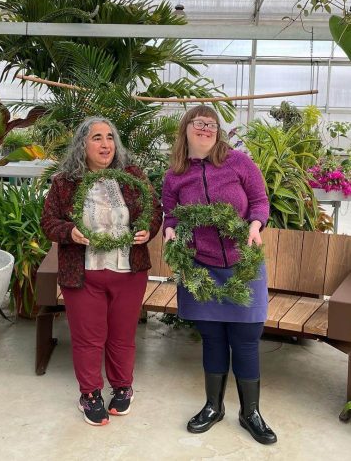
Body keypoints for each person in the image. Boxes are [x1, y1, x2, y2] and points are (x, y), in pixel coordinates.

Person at [162, 105, 277, 444]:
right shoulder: (175, 174)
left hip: (243, 265)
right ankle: (214, 406)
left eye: (211, 124)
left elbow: (259, 201)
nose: (205, 128)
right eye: (199, 123)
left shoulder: (238, 162)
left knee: (245, 340)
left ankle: (250, 411)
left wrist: (255, 226)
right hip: (201, 268)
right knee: (212, 339)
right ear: (186, 128)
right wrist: (170, 232)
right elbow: (170, 215)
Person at [41, 117, 162, 426]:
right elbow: (49, 222)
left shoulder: (131, 175)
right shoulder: (64, 182)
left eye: (110, 137)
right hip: (83, 274)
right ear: (83, 144)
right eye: (97, 137)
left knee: (122, 335)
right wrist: (70, 232)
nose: (105, 144)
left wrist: (147, 230)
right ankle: (90, 393)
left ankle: (123, 387)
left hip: (128, 271)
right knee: (87, 338)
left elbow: (154, 210)